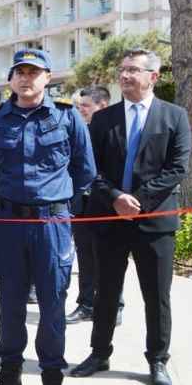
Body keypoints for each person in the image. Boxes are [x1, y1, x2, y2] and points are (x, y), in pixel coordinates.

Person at [71, 48, 192, 385]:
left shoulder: (174, 116)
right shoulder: (104, 119)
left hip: (155, 222)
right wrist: (115, 198)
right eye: (122, 69)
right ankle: (99, 353)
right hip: (109, 220)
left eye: (133, 70)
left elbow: (177, 167)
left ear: (153, 76)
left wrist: (138, 201)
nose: (125, 76)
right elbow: (91, 169)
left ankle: (157, 359)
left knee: (157, 295)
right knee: (105, 291)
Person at [0, 49, 96, 385]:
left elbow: (84, 170)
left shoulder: (66, 116)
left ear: (48, 77)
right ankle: (10, 374)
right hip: (12, 224)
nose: (27, 78)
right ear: (11, 79)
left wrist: (56, 203)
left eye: (34, 72)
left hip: (52, 224)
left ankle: (51, 381)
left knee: (52, 305)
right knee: (10, 304)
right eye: (20, 72)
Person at [66, 86, 125, 324]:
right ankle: (86, 303)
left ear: (102, 106)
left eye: (86, 106)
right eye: (79, 107)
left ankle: (115, 305)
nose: (81, 111)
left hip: (107, 206)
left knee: (111, 258)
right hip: (82, 205)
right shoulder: (79, 131)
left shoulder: (117, 131)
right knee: (85, 255)